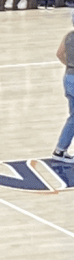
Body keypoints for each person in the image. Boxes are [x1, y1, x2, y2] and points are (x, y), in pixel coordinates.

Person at [54, 13, 74, 162]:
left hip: (68, 77)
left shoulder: (69, 36)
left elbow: (60, 54)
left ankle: (60, 149)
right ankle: (60, 150)